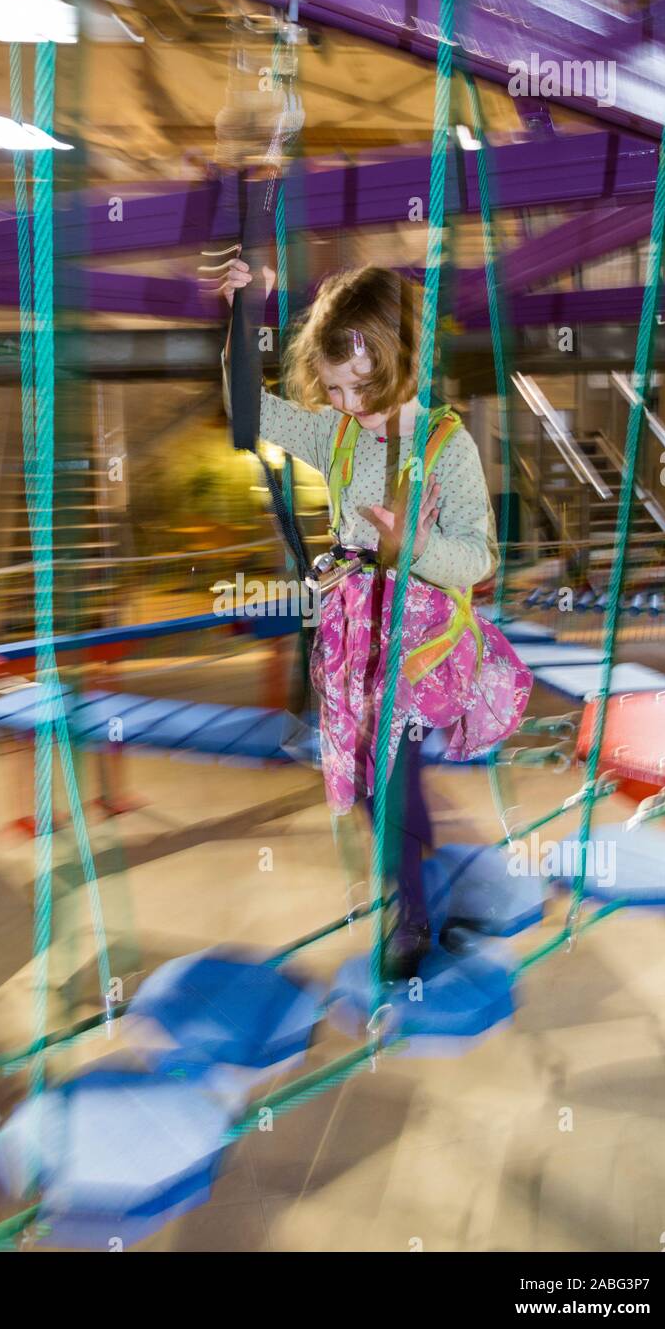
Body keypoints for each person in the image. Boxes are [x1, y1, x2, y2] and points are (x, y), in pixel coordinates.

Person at [220, 262, 532, 978]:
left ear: (399, 363)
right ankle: (422, 861)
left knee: (391, 779)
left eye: (364, 387)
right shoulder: (334, 434)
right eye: (333, 388)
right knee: (366, 782)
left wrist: (412, 545)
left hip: (422, 641)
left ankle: (413, 916)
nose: (349, 402)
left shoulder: (443, 445)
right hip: (354, 635)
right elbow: (247, 410)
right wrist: (246, 311)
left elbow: (479, 557)